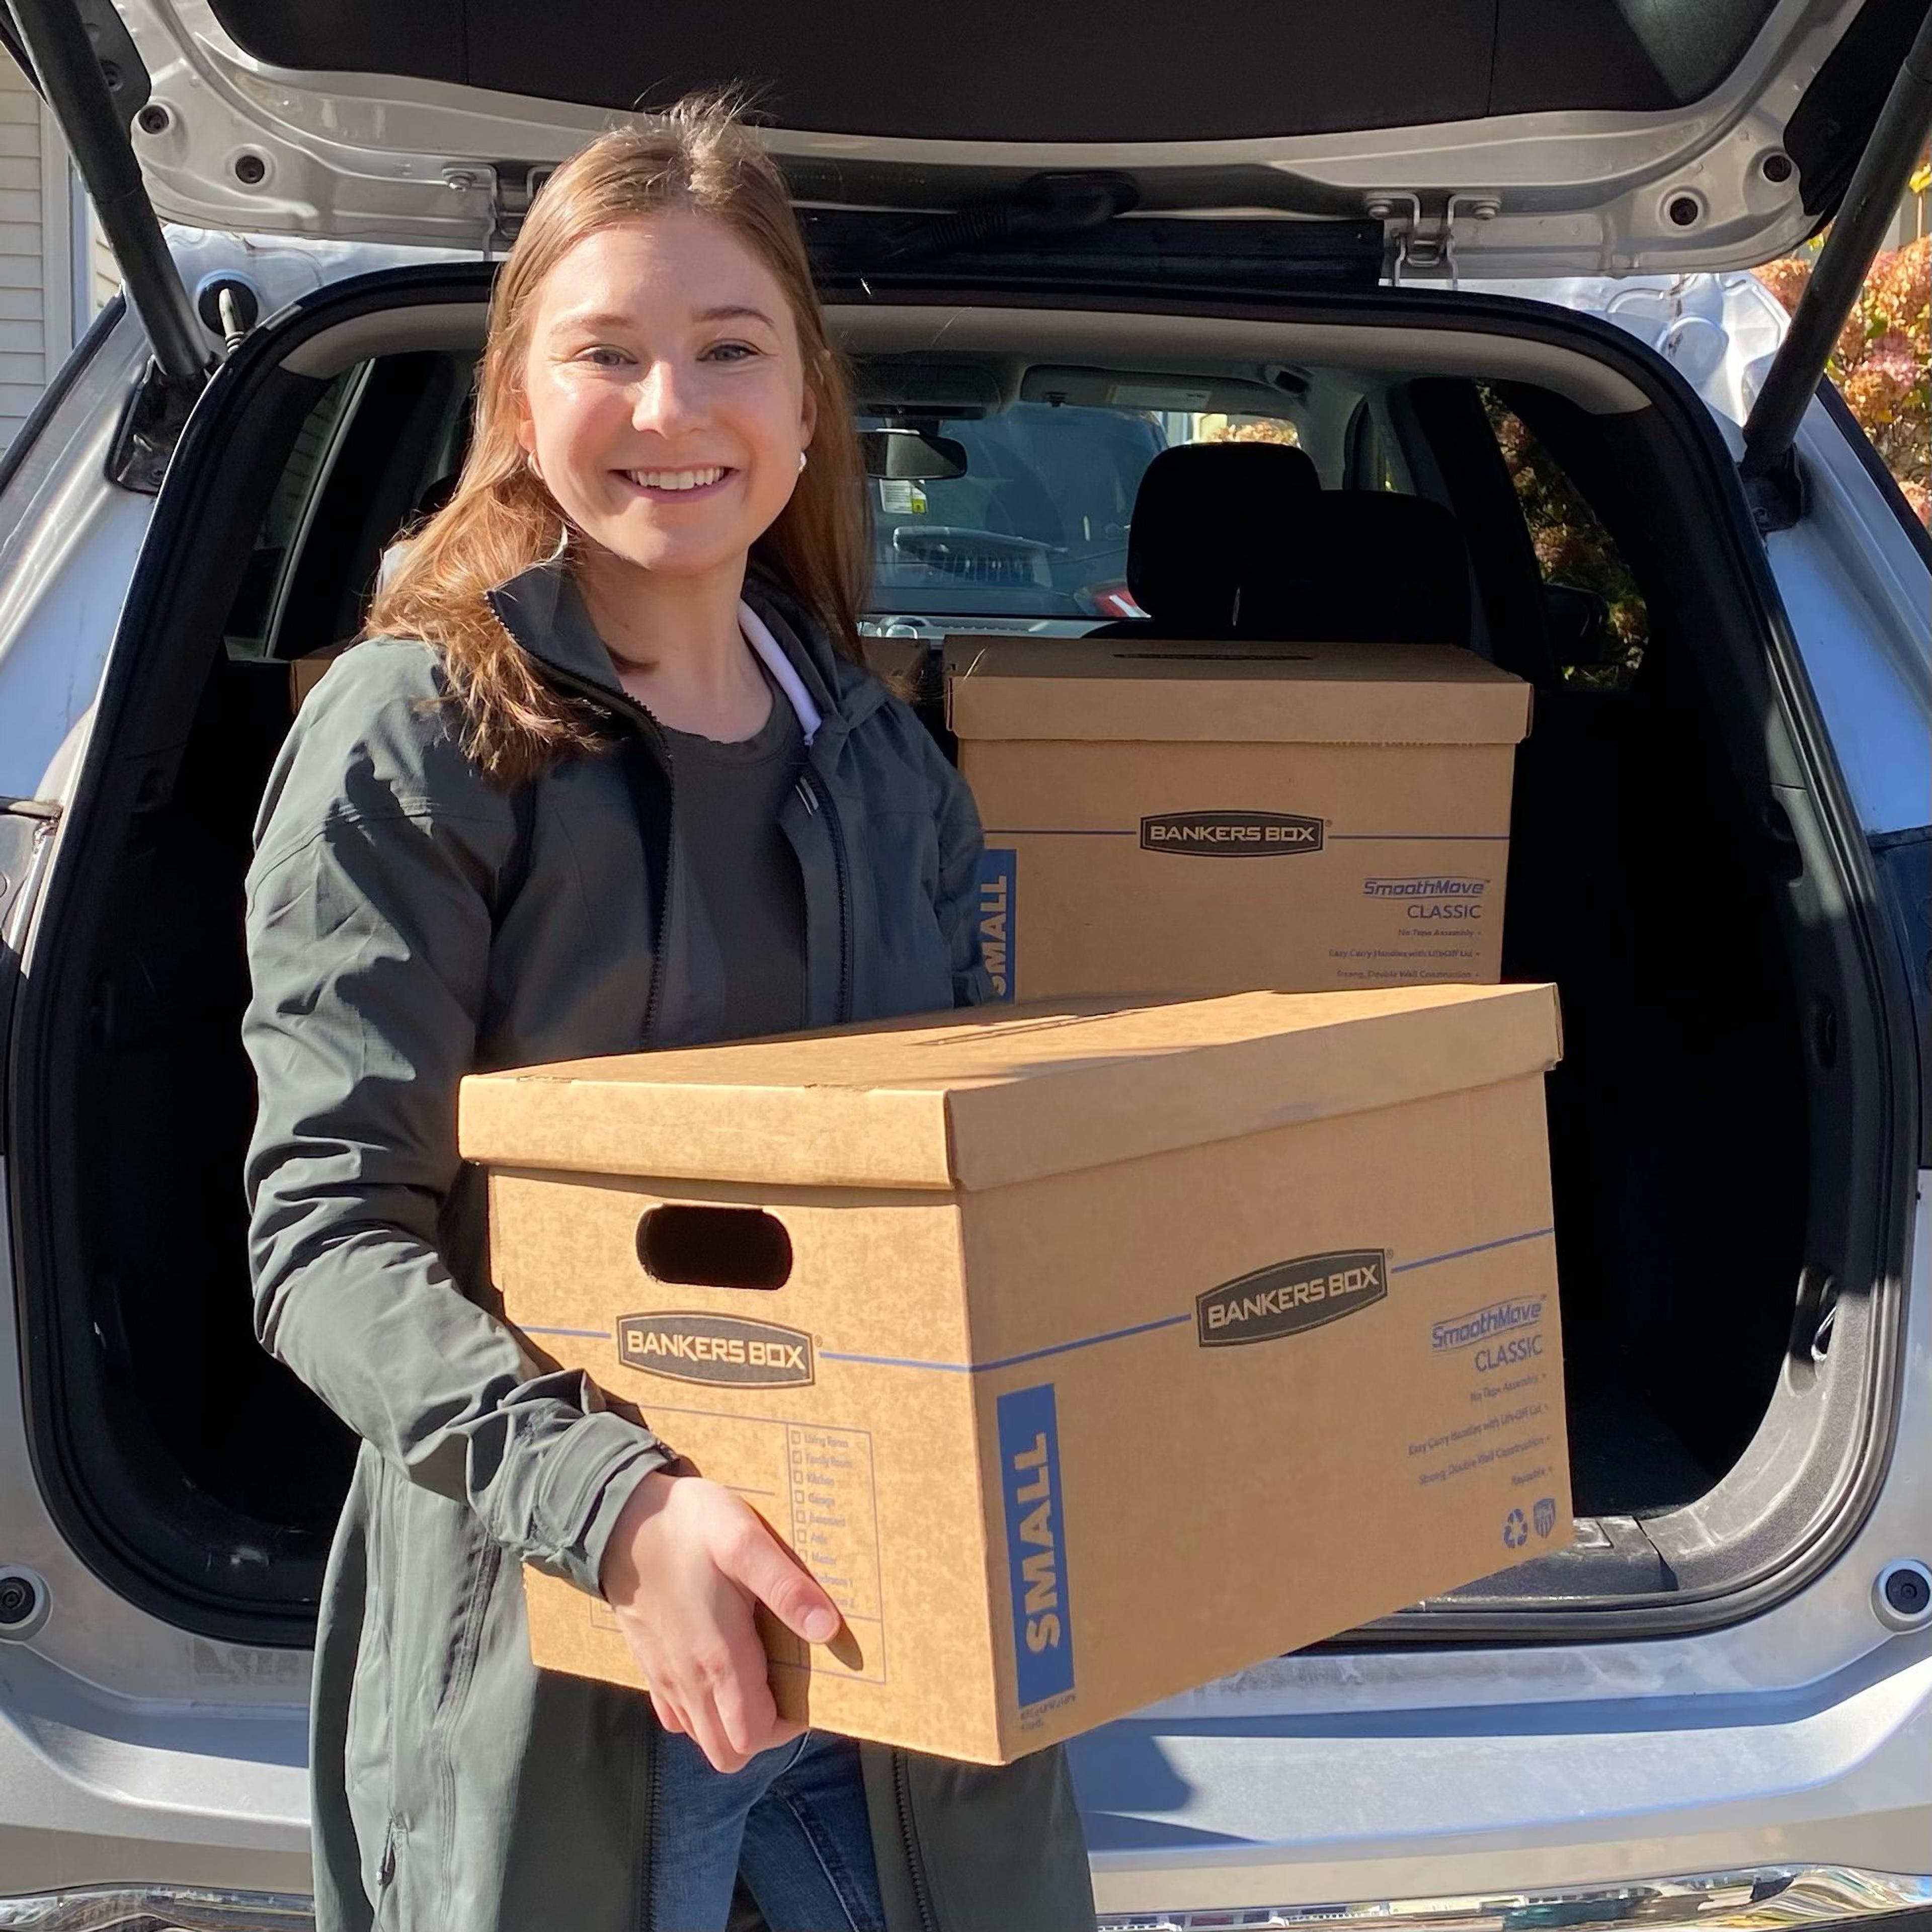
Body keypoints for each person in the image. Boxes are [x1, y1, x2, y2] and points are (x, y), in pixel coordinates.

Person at [242, 96, 1095, 1932]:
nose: (669, 409)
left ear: (806, 402)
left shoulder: (886, 764)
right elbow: (323, 1242)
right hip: (572, 1658)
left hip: (898, 1677)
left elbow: (973, 1195)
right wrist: (625, 1508)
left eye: (728, 350)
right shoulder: (417, 734)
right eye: (604, 353)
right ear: (521, 400)